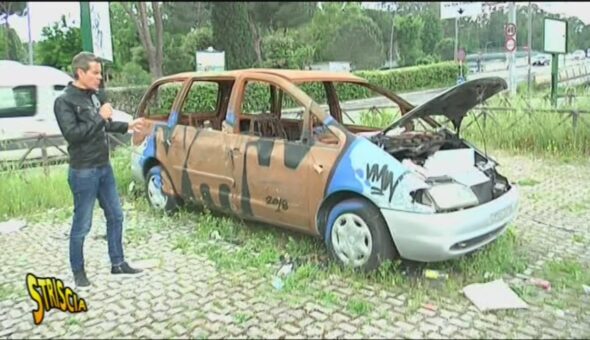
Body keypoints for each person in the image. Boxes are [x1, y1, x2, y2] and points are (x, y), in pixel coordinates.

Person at [54, 52, 145, 288]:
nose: (99, 78)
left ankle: (118, 263)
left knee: (116, 214)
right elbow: (73, 135)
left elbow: (103, 126)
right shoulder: (64, 101)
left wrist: (127, 126)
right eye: (95, 73)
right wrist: (99, 117)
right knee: (82, 223)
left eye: (100, 73)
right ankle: (79, 272)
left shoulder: (93, 97)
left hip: (104, 167)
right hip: (83, 171)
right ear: (80, 73)